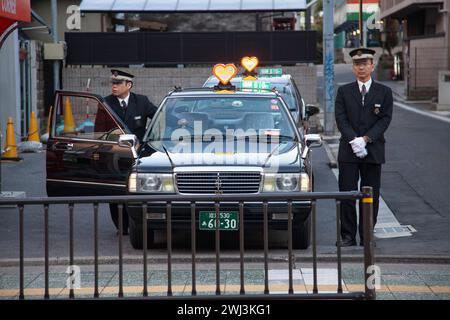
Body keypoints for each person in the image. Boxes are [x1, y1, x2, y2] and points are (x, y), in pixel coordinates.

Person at [335, 48, 393, 247]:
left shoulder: (384, 92)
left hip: (373, 150)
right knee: (347, 194)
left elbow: (385, 119)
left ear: (372, 66)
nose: (361, 67)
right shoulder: (344, 91)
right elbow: (340, 118)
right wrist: (354, 140)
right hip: (348, 150)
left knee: (371, 196)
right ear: (353, 68)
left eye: (365, 64)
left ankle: (367, 235)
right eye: (357, 64)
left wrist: (366, 139)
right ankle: (347, 236)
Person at [104, 69, 158, 235]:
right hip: (115, 155)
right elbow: (100, 129)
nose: (114, 86)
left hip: (138, 155)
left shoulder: (141, 101)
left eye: (118, 83)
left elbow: (157, 118)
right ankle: (121, 227)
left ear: (129, 85)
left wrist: (150, 139)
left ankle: (138, 222)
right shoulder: (106, 103)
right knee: (116, 190)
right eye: (113, 83)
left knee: (137, 189)